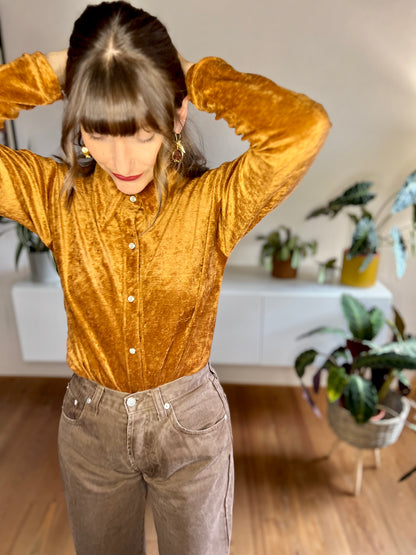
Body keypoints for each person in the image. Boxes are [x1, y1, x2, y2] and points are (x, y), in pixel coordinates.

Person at [0, 2, 331, 553]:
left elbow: (304, 128)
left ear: (176, 118)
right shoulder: (54, 196)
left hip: (191, 428)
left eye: (142, 131)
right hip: (90, 429)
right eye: (98, 133)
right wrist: (63, 72)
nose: (121, 157)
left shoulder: (215, 202)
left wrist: (192, 76)